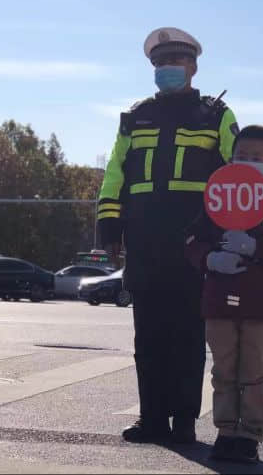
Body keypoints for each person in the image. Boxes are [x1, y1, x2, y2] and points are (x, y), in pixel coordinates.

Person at [97, 27, 239, 444]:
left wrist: (229, 232)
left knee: (188, 334)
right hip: (144, 239)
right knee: (150, 334)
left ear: (193, 67)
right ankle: (152, 418)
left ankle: (184, 422)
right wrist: (110, 224)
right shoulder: (135, 116)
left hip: (194, 242)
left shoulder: (216, 115)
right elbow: (114, 175)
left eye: (175, 63)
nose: (167, 70)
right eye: (160, 64)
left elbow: (236, 174)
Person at [185, 125, 263, 463]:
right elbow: (192, 240)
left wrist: (255, 246)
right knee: (223, 369)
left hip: (259, 303)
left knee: (252, 370)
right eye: (241, 156)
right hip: (219, 300)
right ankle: (225, 430)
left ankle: (249, 434)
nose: (248, 162)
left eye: (256, 158)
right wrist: (210, 258)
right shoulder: (215, 197)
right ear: (229, 158)